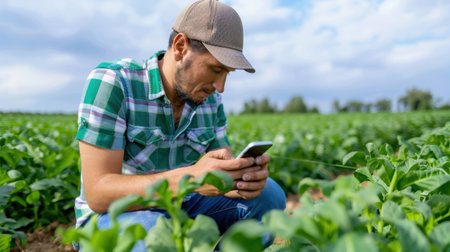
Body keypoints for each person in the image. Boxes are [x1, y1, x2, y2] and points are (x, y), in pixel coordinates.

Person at [74, 0, 286, 250]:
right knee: (155, 232)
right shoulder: (115, 83)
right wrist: (191, 178)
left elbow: (219, 166)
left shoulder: (209, 98)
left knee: (270, 195)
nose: (220, 86)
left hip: (183, 204)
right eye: (216, 69)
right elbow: (98, 193)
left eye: (227, 73)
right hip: (113, 215)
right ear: (180, 46)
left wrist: (239, 179)